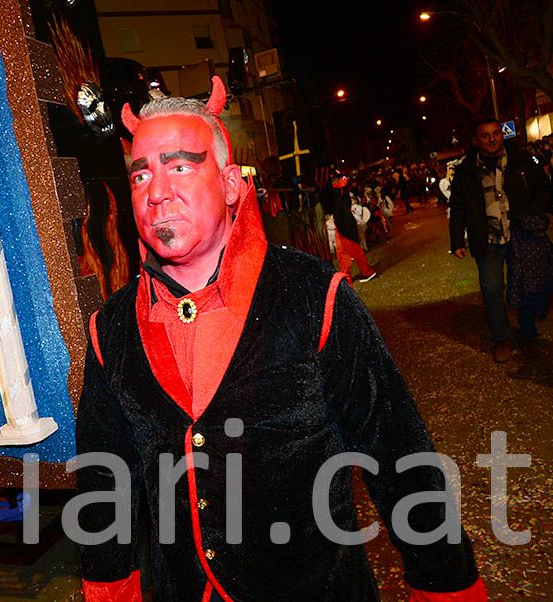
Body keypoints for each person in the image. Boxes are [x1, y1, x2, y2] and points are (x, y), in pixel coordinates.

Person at [76, 78, 485, 602]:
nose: (156, 192)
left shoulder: (316, 297)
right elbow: (104, 483)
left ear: (230, 184)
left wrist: (447, 585)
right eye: (140, 176)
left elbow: (400, 458)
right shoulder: (109, 329)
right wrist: (110, 589)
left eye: (180, 166)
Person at [449, 118, 553, 362]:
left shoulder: (521, 160)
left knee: (525, 286)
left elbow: (545, 189)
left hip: (520, 235)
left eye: (496, 133)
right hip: (487, 240)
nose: (492, 139)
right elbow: (457, 207)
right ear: (476, 140)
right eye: (485, 135)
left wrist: (529, 212)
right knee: (492, 290)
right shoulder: (466, 170)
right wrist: (456, 241)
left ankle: (528, 336)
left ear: (502, 135)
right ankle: (502, 338)